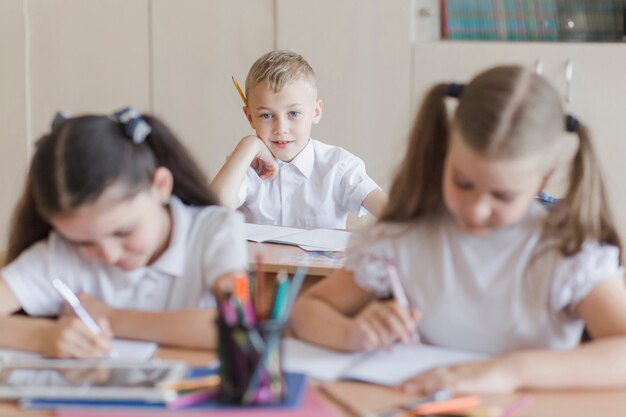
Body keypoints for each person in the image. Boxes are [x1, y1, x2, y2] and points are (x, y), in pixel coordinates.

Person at [291, 65, 626, 394]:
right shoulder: (405, 239)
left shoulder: (565, 251)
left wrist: (509, 372)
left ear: (543, 178)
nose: (476, 209)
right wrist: (351, 332)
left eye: (502, 195)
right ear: (448, 151)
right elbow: (308, 310)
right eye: (463, 182)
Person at [0, 108, 248, 358]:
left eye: (122, 231)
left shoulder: (215, 230)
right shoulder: (61, 254)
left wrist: (112, 318)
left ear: (160, 185)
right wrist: (43, 337)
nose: (108, 254)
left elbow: (238, 323)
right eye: (83, 242)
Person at [211, 50, 388, 229]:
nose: (281, 129)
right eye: (266, 115)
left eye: (294, 113)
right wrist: (249, 144)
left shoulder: (339, 167)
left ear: (316, 112)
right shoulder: (245, 165)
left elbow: (394, 215)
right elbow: (212, 211)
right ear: (250, 117)